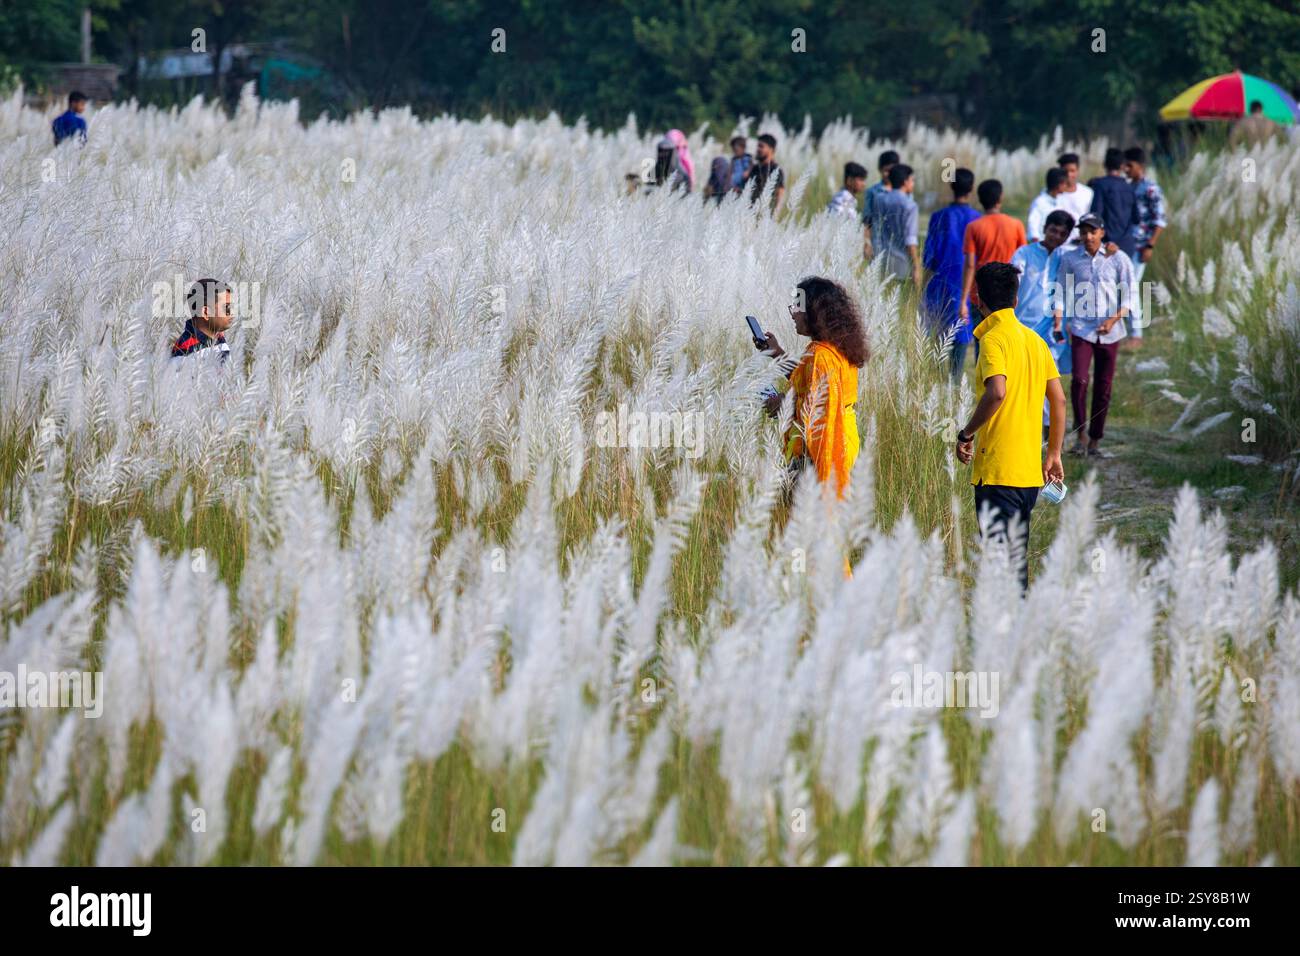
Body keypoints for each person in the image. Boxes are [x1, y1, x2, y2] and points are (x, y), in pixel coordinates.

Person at [955, 262, 1066, 592]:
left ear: (978, 300)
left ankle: (1006, 629)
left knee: (1000, 563)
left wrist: (967, 432)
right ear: (1016, 300)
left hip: (998, 470)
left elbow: (997, 391)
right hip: (1029, 473)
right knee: (1015, 557)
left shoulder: (992, 341)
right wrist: (1055, 453)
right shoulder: (1036, 341)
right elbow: (1058, 401)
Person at [760, 277, 870, 499]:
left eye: (797, 307)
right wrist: (777, 353)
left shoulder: (820, 355)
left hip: (818, 452)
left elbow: (818, 409)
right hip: (843, 442)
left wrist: (781, 404)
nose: (792, 313)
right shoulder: (839, 346)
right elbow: (811, 383)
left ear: (813, 312)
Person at [1056, 213, 1135, 458]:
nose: (1087, 236)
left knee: (1104, 386)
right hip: (1082, 328)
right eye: (1083, 232)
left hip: (1111, 331)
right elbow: (1061, 290)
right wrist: (1059, 319)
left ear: (1102, 233)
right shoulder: (1071, 259)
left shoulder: (1118, 258)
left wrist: (1113, 319)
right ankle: (1080, 434)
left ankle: (1095, 440)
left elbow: (1130, 294)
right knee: (1079, 380)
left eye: (1092, 231)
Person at [1011, 209, 1075, 429]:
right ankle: (1023, 425)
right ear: (1045, 228)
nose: (1056, 237)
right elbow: (1014, 278)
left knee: (1049, 381)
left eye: (1062, 234)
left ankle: (1049, 430)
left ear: (1067, 237)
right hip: (1022, 326)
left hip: (1051, 330)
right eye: (1053, 231)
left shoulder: (1065, 257)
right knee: (1021, 380)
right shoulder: (1024, 253)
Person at [922, 166, 981, 381]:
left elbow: (929, 255)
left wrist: (923, 283)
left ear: (951, 187)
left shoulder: (939, 216)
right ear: (971, 188)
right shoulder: (977, 218)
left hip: (940, 280)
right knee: (962, 331)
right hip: (967, 281)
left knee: (939, 329)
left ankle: (938, 381)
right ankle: (954, 380)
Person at [958, 179, 1026, 341]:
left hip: (982, 292)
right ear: (1000, 198)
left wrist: (963, 299)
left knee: (983, 341)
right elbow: (1023, 260)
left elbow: (970, 265)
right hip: (1009, 292)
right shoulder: (1016, 225)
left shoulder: (974, 227)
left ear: (980, 200)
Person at [1123, 146, 1166, 345]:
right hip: (1127, 244)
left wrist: (1151, 245)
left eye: (1129, 165)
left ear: (1140, 166)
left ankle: (1136, 333)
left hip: (1141, 247)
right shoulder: (1129, 186)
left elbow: (1159, 220)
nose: (1126, 169)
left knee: (1130, 287)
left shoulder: (1150, 188)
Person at [870, 164, 921, 286]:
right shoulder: (910, 205)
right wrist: (916, 266)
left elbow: (875, 229)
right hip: (902, 264)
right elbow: (910, 240)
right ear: (905, 182)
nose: (913, 183)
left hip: (880, 261)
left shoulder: (878, 199)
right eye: (912, 180)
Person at [1088, 148, 1139, 262]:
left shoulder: (1100, 185)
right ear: (1122, 166)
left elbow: (1096, 215)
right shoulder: (1129, 187)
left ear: (1105, 164)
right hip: (1126, 245)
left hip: (1106, 245)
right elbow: (1136, 218)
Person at [172, 279, 234, 359]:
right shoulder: (186, 354)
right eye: (227, 307)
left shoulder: (217, 335)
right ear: (206, 312)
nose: (232, 312)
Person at [862, 149, 898, 258]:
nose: (887, 174)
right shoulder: (872, 191)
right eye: (885, 170)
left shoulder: (903, 191)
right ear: (879, 170)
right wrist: (867, 244)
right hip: (878, 242)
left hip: (899, 244)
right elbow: (867, 220)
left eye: (891, 170)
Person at [1054, 153, 1094, 247]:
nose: (1069, 175)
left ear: (1077, 171)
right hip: (1058, 243)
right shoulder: (1054, 194)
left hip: (1080, 244)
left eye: (1072, 171)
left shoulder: (1088, 193)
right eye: (1065, 171)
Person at [743, 133, 785, 214]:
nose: (758, 149)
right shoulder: (755, 168)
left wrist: (774, 215)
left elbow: (780, 193)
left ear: (771, 149)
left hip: (764, 213)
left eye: (761, 146)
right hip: (748, 212)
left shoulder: (775, 170)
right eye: (757, 146)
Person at [1026, 168, 1067, 243]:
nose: (1066, 186)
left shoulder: (1061, 201)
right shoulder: (1039, 202)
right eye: (1064, 183)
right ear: (1059, 185)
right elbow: (1032, 225)